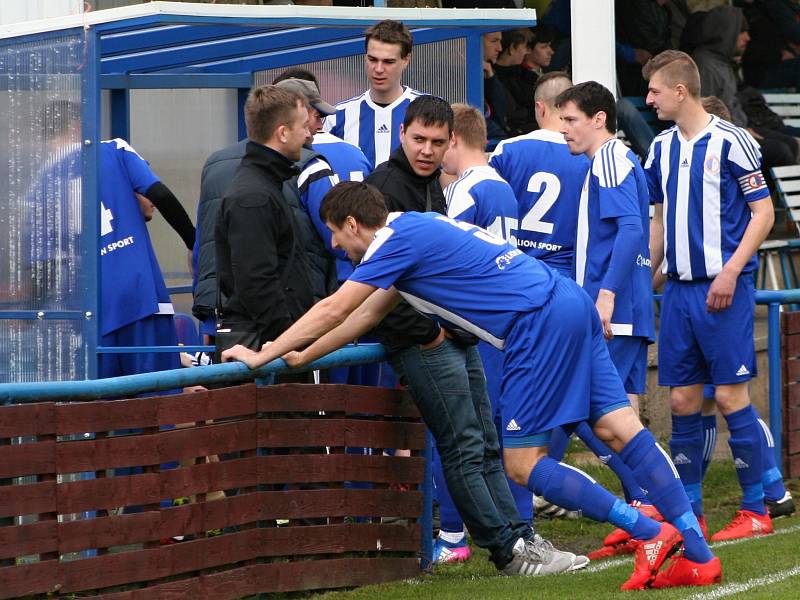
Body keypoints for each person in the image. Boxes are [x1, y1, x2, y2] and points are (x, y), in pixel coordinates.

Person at [222, 178, 721, 590]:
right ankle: (697, 555)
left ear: (353, 223)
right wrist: (298, 356)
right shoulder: (418, 228)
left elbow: (336, 306)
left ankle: (649, 532)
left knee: (521, 463)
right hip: (567, 300)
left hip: (535, 321)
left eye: (334, 233)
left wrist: (262, 353)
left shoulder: (393, 242)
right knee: (620, 429)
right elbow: (363, 316)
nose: (334, 245)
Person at [358, 96, 588, 577]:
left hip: (462, 331)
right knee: (464, 443)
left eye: (437, 142)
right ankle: (500, 548)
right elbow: (366, 286)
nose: (426, 150)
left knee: (485, 441)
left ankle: (519, 539)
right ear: (402, 133)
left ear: (451, 143)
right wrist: (429, 332)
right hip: (428, 337)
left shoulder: (442, 187)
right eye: (419, 139)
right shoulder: (386, 186)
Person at [643, 50, 778, 543]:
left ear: (681, 91)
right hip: (679, 291)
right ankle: (691, 514)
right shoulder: (658, 149)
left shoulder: (733, 141)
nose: (649, 99)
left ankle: (755, 507)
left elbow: (762, 214)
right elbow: (658, 225)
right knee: (680, 400)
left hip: (725, 289)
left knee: (727, 395)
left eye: (656, 90)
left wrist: (731, 271)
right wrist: (645, 280)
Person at [429, 103, 526, 563]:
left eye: (438, 141)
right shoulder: (503, 188)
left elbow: (448, 262)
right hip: (506, 326)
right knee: (500, 433)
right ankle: (517, 527)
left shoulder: (467, 192)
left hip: (475, 326)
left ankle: (452, 535)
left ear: (453, 139)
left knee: (458, 433)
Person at [214, 85, 315, 357]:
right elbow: (256, 282)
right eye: (304, 126)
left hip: (269, 344)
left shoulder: (264, 185)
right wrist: (289, 340)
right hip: (265, 348)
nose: (308, 134)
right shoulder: (253, 197)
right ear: (282, 133)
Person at [324, 20, 423, 169]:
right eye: (372, 59)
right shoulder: (337, 117)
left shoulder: (427, 110)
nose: (378, 69)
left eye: (388, 62)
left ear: (406, 60)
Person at [493, 28, 536, 136]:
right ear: (512, 48)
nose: (527, 52)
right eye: (525, 46)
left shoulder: (528, 76)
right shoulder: (490, 77)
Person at [482, 31, 511, 147]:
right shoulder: (455, 78)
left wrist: (491, 79)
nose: (500, 48)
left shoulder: (487, 73)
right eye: (494, 41)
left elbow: (501, 117)